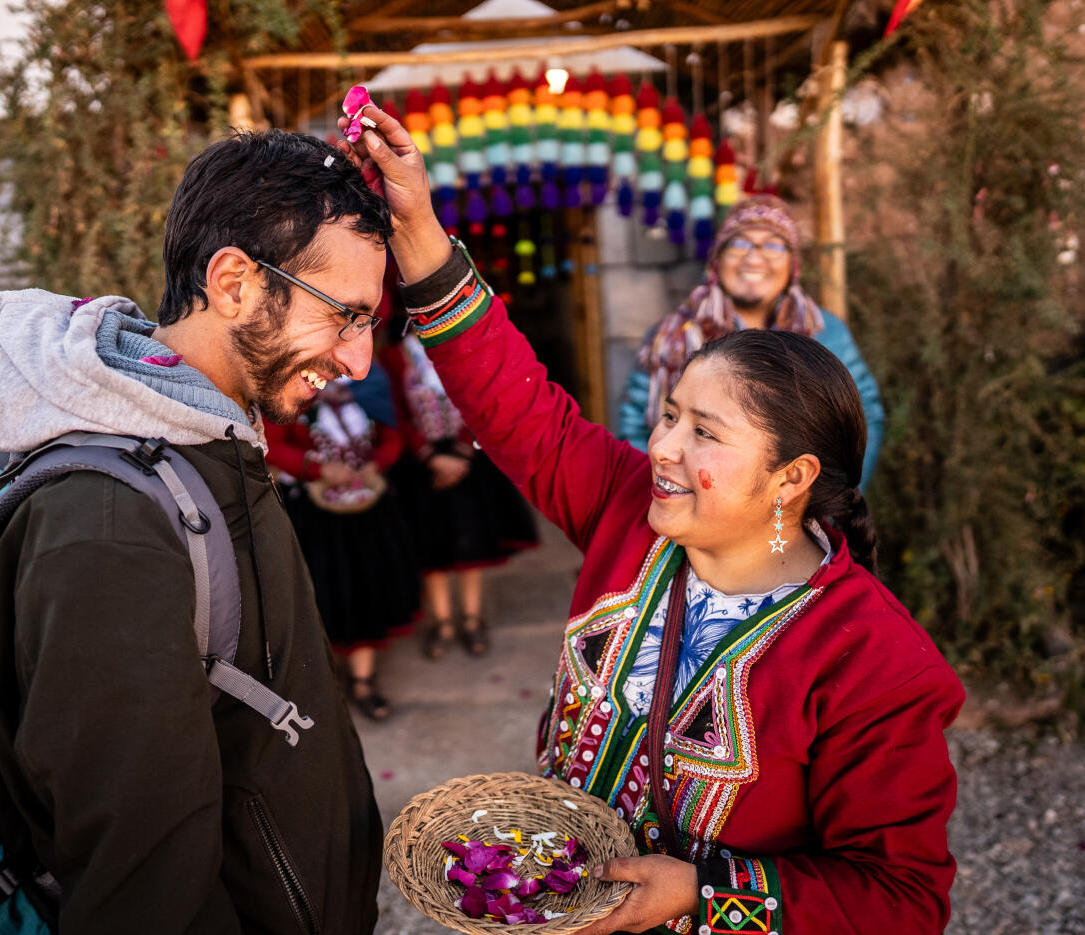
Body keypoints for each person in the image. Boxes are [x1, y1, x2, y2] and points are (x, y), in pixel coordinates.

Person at [339, 103, 964, 935]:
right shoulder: (630, 510)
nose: (660, 446)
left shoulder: (875, 664)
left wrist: (706, 895)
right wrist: (414, 221)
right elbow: (512, 397)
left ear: (792, 477)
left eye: (703, 431)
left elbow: (903, 901)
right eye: (670, 413)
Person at [0, 130, 391, 933]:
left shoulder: (216, 441)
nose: (359, 359)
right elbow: (141, 888)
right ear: (234, 283)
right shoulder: (105, 525)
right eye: (345, 316)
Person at [616, 196, 886, 486]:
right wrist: (671, 495)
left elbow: (863, 417)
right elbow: (635, 425)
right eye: (739, 244)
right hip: (697, 512)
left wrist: (833, 503)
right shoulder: (670, 337)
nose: (754, 258)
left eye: (772, 245)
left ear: (793, 264)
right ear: (717, 260)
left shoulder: (826, 333)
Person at [377, 275, 538, 659]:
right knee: (432, 547)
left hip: (468, 459)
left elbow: (478, 400)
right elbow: (395, 412)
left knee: (471, 542)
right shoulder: (393, 358)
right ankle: (442, 621)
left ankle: (471, 618)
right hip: (422, 464)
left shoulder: (460, 348)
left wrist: (464, 451)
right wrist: (430, 456)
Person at [262, 366, 420, 720]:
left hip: (368, 508)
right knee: (320, 592)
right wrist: (318, 470)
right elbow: (271, 444)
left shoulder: (373, 382)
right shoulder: (288, 384)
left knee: (368, 588)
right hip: (314, 515)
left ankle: (363, 680)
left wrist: (375, 465)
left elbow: (392, 436)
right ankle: (322, 684)